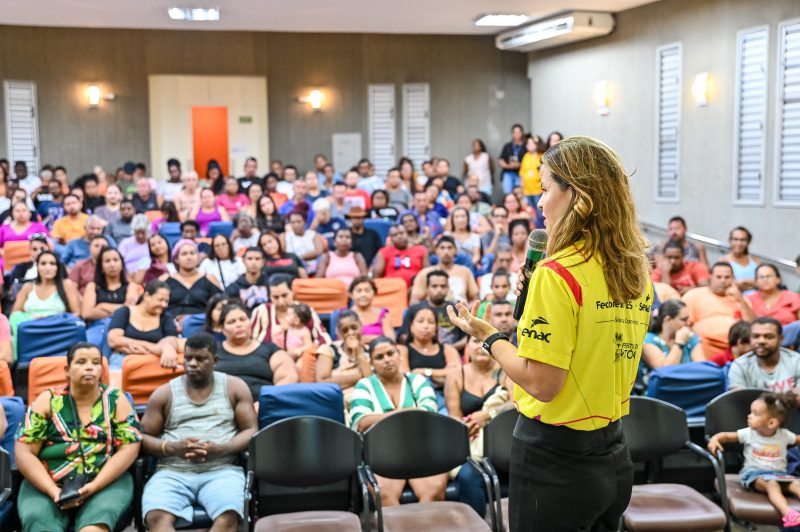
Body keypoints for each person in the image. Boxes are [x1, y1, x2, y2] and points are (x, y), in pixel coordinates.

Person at [446, 136, 654, 530]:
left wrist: (490, 337)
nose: (539, 203)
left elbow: (542, 384)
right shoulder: (635, 271)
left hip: (557, 459)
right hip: (613, 452)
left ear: (577, 195)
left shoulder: (558, 274)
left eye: (544, 190)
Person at [14, 343, 142, 532]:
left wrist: (96, 485)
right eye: (81, 362)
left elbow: (129, 448)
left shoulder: (116, 400)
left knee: (94, 527)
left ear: (101, 369)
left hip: (104, 480)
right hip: (47, 482)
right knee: (38, 522)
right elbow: (24, 452)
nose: (89, 367)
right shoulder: (47, 400)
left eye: (95, 362)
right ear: (67, 370)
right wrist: (53, 491)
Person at [140, 332, 258, 532]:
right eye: (188, 358)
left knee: (229, 516)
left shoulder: (234, 387)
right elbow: (141, 438)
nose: (192, 364)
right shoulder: (164, 393)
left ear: (215, 360)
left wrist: (221, 449)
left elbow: (251, 430)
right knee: (156, 517)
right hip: (172, 472)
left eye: (200, 358)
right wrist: (171, 448)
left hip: (222, 471)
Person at [349, 336, 446, 506]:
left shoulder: (417, 380)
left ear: (399, 355)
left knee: (433, 492)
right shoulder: (364, 385)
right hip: (381, 455)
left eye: (390, 353)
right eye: (379, 357)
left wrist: (383, 418)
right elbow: (362, 422)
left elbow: (430, 414)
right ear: (371, 363)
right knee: (385, 496)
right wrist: (409, 413)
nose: (386, 360)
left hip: (421, 451)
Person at [707, 392, 800, 527]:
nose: (749, 416)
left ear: (772, 422)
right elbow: (725, 436)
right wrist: (714, 440)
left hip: (781, 475)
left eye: (755, 414)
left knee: (797, 484)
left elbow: (797, 439)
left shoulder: (784, 435)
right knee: (771, 484)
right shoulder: (748, 433)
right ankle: (788, 513)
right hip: (754, 474)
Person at [444, 335, 512, 518]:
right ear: (466, 346)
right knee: (467, 477)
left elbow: (516, 404)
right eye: (474, 341)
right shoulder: (456, 375)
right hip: (473, 447)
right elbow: (454, 417)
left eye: (484, 341)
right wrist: (466, 424)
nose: (480, 346)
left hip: (505, 445)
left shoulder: (506, 370)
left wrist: (489, 415)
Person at [215, 303, 298, 401]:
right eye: (231, 322)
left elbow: (288, 377)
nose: (238, 324)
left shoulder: (270, 349)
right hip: (221, 405)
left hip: (264, 405)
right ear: (222, 328)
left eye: (242, 319)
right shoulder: (213, 351)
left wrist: (264, 403)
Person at [10, 251, 81, 358]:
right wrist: (34, 320)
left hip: (55, 326)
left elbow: (77, 312)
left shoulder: (66, 285)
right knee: (15, 318)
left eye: (52, 264)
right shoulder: (28, 287)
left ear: (58, 267)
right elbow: (15, 313)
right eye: (43, 264)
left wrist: (49, 319)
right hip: (31, 326)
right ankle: (17, 361)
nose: (48, 267)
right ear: (37, 266)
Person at [683, 262, 756, 358]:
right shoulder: (693, 295)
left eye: (727, 277)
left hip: (735, 349)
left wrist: (740, 300)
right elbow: (683, 324)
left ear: (733, 279)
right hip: (702, 347)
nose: (723, 281)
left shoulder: (741, 299)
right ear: (710, 277)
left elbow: (752, 325)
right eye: (718, 277)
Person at [398, 303, 461, 406]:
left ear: (436, 328)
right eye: (420, 321)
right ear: (411, 327)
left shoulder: (447, 349)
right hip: (414, 397)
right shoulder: (402, 350)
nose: (426, 326)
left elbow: (457, 374)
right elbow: (405, 377)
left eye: (431, 322)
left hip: (445, 398)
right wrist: (442, 376)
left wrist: (424, 372)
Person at [107, 280, 180, 370]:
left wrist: (167, 348)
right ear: (146, 296)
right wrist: (154, 348)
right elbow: (113, 340)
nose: (164, 304)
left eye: (166, 301)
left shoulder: (165, 317)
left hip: (152, 362)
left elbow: (172, 340)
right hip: (122, 360)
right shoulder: (125, 311)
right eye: (160, 300)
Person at [81, 247, 139, 355]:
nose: (112, 264)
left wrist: (102, 306)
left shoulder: (130, 286)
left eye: (115, 260)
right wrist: (121, 307)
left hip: (122, 327)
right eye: (107, 261)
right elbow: (87, 313)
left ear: (122, 264)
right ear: (101, 267)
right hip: (97, 327)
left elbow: (131, 310)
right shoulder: (93, 286)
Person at [251, 274, 331, 348]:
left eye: (284, 295)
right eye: (276, 297)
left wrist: (308, 348)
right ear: (269, 296)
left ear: (292, 292)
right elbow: (250, 341)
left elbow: (323, 338)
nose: (281, 302)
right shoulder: (261, 311)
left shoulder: (304, 310)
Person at [728, 317, 800, 392]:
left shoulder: (796, 361)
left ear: (780, 339)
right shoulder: (739, 366)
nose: (761, 341)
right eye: (756, 336)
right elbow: (738, 399)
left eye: (769, 337)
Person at [315, 310, 372, 395]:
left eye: (354, 328)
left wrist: (359, 353)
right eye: (345, 330)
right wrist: (360, 376)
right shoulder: (329, 350)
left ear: (361, 326)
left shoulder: (370, 351)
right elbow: (322, 382)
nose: (351, 333)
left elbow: (371, 382)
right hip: (337, 398)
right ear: (338, 333)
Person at [410, 235, 479, 305]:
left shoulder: (465, 271)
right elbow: (414, 301)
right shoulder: (425, 273)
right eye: (442, 248)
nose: (446, 252)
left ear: (455, 251)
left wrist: (466, 311)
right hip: (433, 313)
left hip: (460, 313)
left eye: (450, 248)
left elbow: (475, 299)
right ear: (436, 250)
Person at [641, 300, 705, 374]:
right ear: (668, 319)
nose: (688, 323)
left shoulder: (690, 337)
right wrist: (679, 344)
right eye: (683, 319)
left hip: (689, 384)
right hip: (663, 385)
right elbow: (665, 372)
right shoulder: (648, 339)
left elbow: (702, 369)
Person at [164, 240, 222, 319]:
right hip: (171, 324)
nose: (189, 257)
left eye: (192, 253)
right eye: (184, 254)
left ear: (197, 257)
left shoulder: (210, 278)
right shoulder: (165, 280)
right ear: (176, 259)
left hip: (202, 325)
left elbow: (221, 305)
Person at [371, 224, 429, 288]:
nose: (399, 236)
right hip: (391, 289)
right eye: (395, 235)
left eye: (401, 233)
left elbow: (427, 273)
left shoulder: (421, 249)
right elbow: (376, 278)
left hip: (415, 288)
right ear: (390, 238)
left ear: (407, 234)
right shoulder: (384, 252)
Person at [349, 276, 394, 343]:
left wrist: (363, 339)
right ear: (351, 294)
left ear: (374, 293)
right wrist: (377, 338)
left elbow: (391, 340)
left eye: (367, 290)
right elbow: (347, 340)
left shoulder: (384, 315)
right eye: (359, 291)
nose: (363, 294)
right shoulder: (346, 315)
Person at [281, 206, 325, 274]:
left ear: (304, 222)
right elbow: (282, 254)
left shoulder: (313, 235)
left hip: (314, 266)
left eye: (299, 222)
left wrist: (299, 257)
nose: (296, 225)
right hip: (294, 268)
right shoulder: (285, 236)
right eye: (293, 222)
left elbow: (319, 251)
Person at [721, 226, 761, 292]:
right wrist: (753, 283)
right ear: (730, 241)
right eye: (735, 239)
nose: (739, 243)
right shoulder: (723, 261)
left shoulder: (755, 260)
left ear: (748, 242)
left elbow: (762, 282)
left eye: (743, 240)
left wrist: (742, 282)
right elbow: (727, 286)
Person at [519, 134, 546, 227]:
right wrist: (521, 188)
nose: (528, 145)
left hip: (538, 190)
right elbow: (522, 173)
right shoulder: (526, 156)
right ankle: (536, 229)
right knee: (531, 212)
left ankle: (543, 229)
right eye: (528, 143)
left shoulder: (543, 156)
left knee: (541, 212)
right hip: (527, 190)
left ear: (537, 144)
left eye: (531, 143)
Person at [498, 124, 525, 194]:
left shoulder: (526, 146)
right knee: (507, 193)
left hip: (520, 173)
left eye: (519, 132)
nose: (517, 134)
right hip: (508, 173)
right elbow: (501, 159)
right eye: (515, 132)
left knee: (519, 193)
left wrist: (519, 165)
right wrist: (508, 166)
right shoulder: (507, 146)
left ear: (522, 133)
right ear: (512, 133)